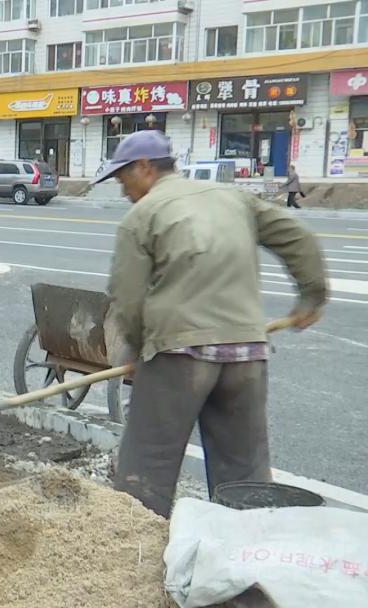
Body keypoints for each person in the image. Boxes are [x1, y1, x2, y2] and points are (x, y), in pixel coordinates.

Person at [94, 130, 328, 518]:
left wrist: (135, 350)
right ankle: (244, 560)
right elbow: (298, 237)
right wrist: (311, 297)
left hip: (178, 357)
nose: (123, 192)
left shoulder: (142, 216)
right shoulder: (232, 198)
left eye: (124, 180)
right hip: (247, 355)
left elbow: (127, 298)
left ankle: (136, 561)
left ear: (145, 167)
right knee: (244, 477)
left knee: (147, 470)